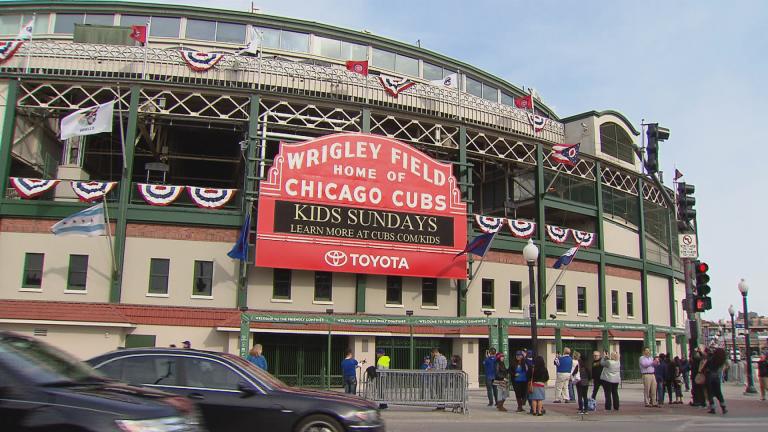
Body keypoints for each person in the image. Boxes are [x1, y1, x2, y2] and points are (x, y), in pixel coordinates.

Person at [703, 347, 727, 414]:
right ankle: (723, 407)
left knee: (710, 392)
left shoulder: (711, 359)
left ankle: (712, 408)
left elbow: (704, 367)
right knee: (719, 392)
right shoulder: (720, 360)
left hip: (709, 376)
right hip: (716, 376)